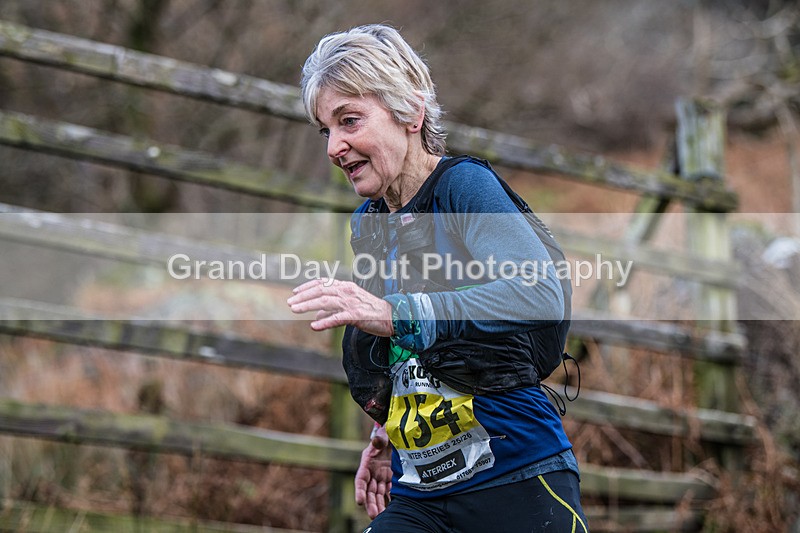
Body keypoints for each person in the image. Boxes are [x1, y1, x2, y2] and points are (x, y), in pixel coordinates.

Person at [287, 24, 588, 533]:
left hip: (516, 480)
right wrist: (389, 430)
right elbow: (411, 348)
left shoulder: (464, 186)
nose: (335, 146)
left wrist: (395, 312)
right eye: (326, 130)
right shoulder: (370, 222)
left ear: (410, 111)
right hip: (419, 494)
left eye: (350, 120)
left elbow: (537, 291)